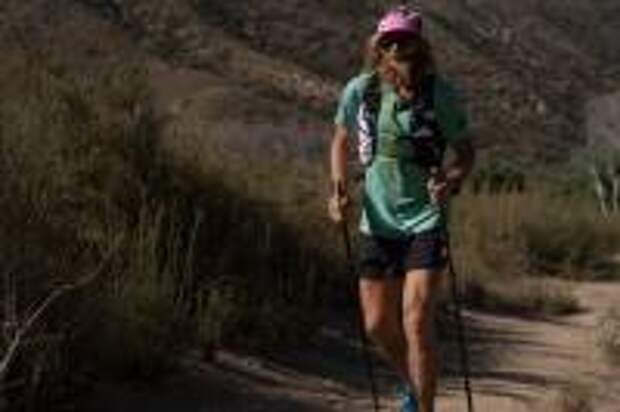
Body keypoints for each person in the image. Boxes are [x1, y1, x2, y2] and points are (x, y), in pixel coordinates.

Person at [327, 6, 475, 412]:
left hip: (426, 219)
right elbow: (341, 141)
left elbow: (466, 152)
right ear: (378, 47)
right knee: (376, 324)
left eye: (405, 40)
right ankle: (414, 384)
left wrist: (452, 180)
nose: (397, 47)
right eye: (388, 41)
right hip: (376, 221)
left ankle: (423, 408)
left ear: (420, 45)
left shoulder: (441, 94)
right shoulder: (361, 90)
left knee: (416, 321)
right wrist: (338, 191)